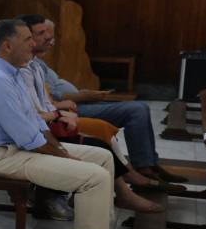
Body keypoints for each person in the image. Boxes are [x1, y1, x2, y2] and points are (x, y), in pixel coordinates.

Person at [0, 20, 125, 229]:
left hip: (19, 148)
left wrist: (59, 150)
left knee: (102, 157)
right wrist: (63, 157)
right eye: (27, 39)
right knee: (94, 176)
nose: (33, 45)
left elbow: (37, 125)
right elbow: (27, 136)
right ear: (7, 45)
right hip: (1, 155)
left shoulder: (13, 72)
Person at [22, 14, 184, 186]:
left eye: (52, 37)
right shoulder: (25, 67)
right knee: (135, 110)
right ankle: (139, 171)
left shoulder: (37, 64)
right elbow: (48, 101)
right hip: (67, 111)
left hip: (70, 107)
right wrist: (78, 99)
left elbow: (49, 94)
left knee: (138, 109)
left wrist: (81, 94)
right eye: (43, 35)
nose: (50, 40)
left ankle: (148, 165)